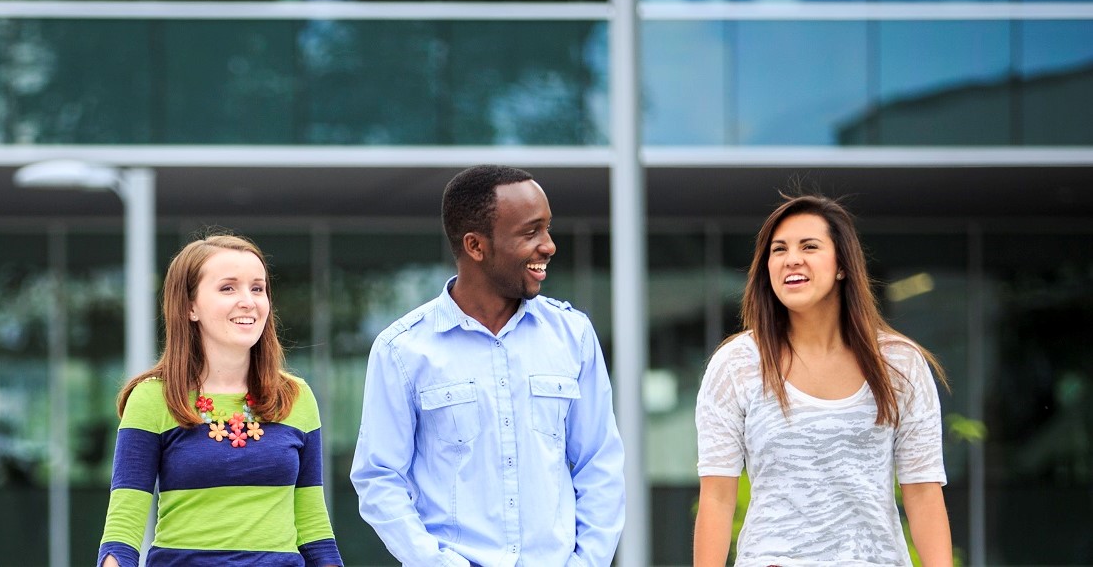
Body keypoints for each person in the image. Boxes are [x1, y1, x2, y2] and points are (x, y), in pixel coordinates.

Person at [352, 164, 625, 566]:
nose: (548, 246)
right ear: (476, 246)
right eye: (531, 232)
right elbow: (379, 479)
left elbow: (599, 464)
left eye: (547, 229)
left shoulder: (574, 335)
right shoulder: (403, 350)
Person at [692, 195, 952, 567]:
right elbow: (717, 497)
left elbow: (924, 493)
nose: (791, 258)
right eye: (778, 249)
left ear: (842, 265)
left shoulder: (899, 364)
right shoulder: (736, 364)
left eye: (809, 246)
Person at [98, 234, 343, 567]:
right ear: (190, 306)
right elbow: (124, 525)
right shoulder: (153, 398)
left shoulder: (295, 397)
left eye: (257, 288)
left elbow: (313, 522)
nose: (248, 301)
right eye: (228, 288)